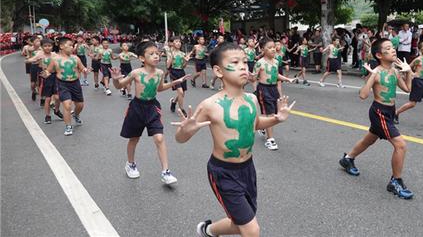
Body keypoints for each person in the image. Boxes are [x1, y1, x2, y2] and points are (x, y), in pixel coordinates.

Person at [172, 42, 295, 237]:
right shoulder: (209, 105)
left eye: (245, 62)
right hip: (223, 173)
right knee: (252, 230)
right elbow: (180, 139)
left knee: (243, 222)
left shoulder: (252, 99)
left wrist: (276, 119)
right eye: (235, 62)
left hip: (247, 169)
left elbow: (254, 124)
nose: (243, 67)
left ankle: (208, 230)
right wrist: (186, 130)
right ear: (218, 71)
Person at [339, 38, 415, 199]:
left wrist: (408, 72)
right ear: (379, 55)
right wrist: (371, 76)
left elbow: (408, 89)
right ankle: (395, 181)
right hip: (379, 111)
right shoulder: (377, 72)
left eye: (393, 47)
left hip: (389, 111)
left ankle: (348, 159)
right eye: (388, 48)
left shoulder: (394, 70)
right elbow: (363, 95)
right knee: (400, 145)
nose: (393, 50)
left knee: (369, 139)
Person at [110, 40, 190, 184]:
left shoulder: (159, 72)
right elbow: (119, 85)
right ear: (142, 58)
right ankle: (130, 164)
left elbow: (159, 88)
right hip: (136, 107)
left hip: (152, 107)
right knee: (134, 138)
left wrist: (175, 82)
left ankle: (166, 172)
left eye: (157, 53)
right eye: (151, 54)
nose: (156, 56)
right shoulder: (136, 73)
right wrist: (115, 80)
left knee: (159, 138)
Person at [250, 38, 295, 150]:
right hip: (263, 90)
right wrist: (250, 78)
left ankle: (262, 125)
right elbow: (254, 78)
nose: (273, 49)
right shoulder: (259, 63)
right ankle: (270, 140)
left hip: (273, 89)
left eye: (274, 47)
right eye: (269, 47)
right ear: (262, 49)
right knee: (270, 114)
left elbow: (276, 75)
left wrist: (286, 79)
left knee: (273, 112)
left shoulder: (276, 61)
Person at [41, 37, 89, 136]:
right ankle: (68, 126)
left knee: (80, 105)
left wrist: (85, 70)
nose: (72, 47)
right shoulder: (55, 59)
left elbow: (82, 68)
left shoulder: (75, 58)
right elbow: (48, 71)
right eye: (70, 45)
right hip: (62, 84)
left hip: (75, 83)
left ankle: (76, 115)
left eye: (72, 45)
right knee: (67, 105)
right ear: (61, 46)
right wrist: (45, 73)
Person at [25, 38, 63, 123]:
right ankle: (47, 116)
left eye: (49, 46)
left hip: (55, 77)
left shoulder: (54, 55)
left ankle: (56, 110)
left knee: (58, 97)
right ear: (42, 47)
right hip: (46, 78)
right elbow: (32, 59)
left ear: (52, 47)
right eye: (45, 46)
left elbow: (61, 61)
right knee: (48, 98)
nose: (47, 48)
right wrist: (29, 60)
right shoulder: (40, 54)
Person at [25, 36, 42, 102]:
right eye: (37, 41)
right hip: (34, 65)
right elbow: (31, 50)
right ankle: (33, 91)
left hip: (41, 66)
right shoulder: (30, 48)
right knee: (33, 82)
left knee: (41, 82)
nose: (38, 42)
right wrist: (36, 46)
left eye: (39, 41)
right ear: (33, 42)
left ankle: (42, 98)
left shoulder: (42, 48)